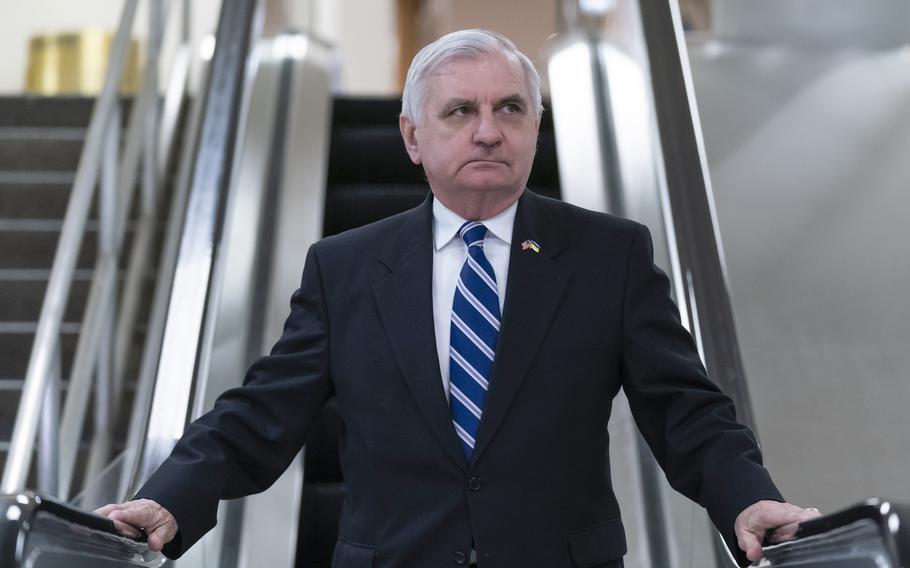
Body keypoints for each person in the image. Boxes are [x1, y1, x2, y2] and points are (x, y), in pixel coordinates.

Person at [98, 29, 820, 567]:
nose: (487, 130)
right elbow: (261, 412)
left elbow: (686, 411)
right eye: (459, 111)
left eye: (511, 108)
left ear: (536, 126)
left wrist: (746, 497)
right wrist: (170, 497)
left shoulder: (609, 255)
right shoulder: (345, 267)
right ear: (413, 136)